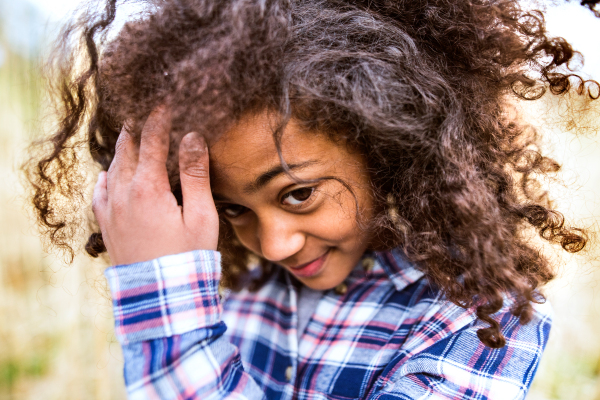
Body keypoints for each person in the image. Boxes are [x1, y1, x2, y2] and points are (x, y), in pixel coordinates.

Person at [25, 0, 598, 398]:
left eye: (298, 194)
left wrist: (162, 294)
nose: (273, 244)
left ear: (385, 148)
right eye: (233, 209)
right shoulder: (239, 286)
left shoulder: (480, 317)